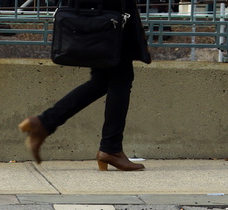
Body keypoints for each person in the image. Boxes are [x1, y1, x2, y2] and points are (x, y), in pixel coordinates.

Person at [18, 0, 152, 170]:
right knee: (120, 80)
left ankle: (44, 123)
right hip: (110, 15)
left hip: (100, 15)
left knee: (102, 80)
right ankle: (111, 149)